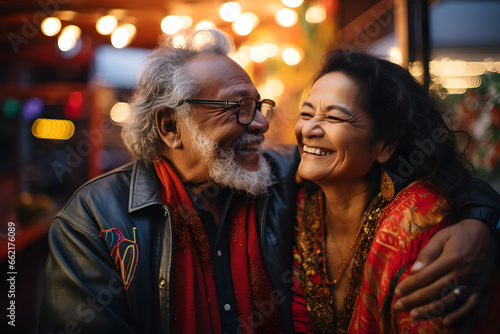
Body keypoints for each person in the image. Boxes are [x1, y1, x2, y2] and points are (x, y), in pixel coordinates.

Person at [39, 29, 499, 333]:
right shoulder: (96, 219)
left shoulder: (282, 173)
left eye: (261, 106)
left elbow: (404, 166)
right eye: (238, 108)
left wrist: (480, 223)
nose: (260, 124)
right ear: (170, 127)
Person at [291, 49, 499, 333]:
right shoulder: (287, 200)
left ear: (386, 143)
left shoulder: (417, 225)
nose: (309, 129)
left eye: (335, 118)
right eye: (306, 113)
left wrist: (483, 221)